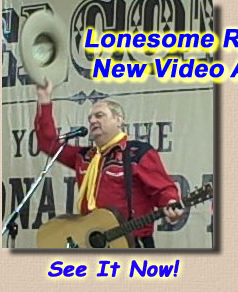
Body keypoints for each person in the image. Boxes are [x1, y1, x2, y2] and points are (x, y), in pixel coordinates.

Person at [35, 79, 183, 248]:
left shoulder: (137, 153)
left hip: (131, 244)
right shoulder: (85, 157)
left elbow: (163, 189)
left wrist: (171, 203)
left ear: (118, 119)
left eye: (99, 115)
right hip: (92, 244)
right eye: (90, 117)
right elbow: (48, 144)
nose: (92, 121)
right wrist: (44, 99)